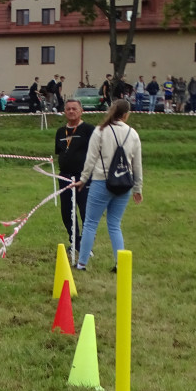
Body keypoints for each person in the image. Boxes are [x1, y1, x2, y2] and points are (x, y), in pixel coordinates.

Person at [73, 99, 143, 273]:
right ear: (126, 115)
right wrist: (137, 188)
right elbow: (137, 165)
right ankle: (120, 263)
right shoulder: (133, 133)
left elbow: (90, 159)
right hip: (124, 184)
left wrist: (83, 179)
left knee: (90, 223)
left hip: (101, 181)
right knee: (114, 224)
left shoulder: (100, 131)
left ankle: (82, 263)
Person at [54, 99, 95, 256]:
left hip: (84, 178)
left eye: (74, 109)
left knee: (85, 211)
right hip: (65, 177)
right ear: (64, 111)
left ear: (81, 111)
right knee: (67, 212)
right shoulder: (60, 132)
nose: (71, 111)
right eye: (68, 109)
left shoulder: (89, 130)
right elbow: (61, 151)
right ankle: (74, 242)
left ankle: (86, 245)